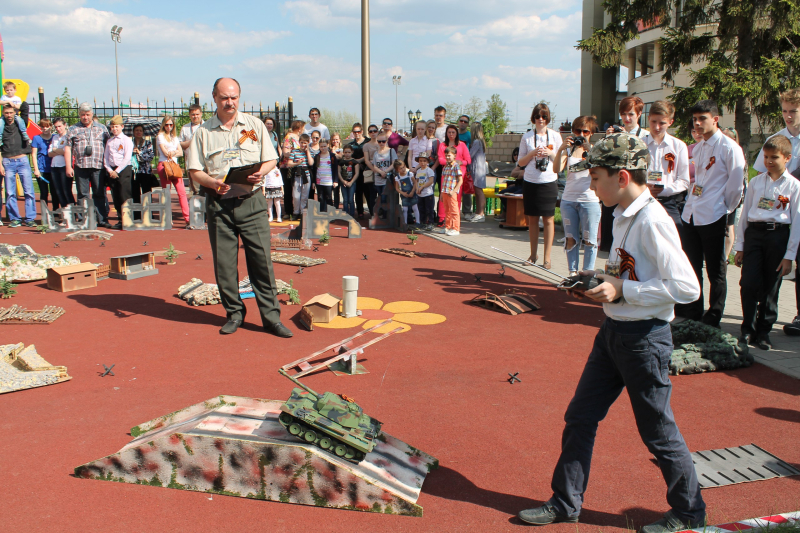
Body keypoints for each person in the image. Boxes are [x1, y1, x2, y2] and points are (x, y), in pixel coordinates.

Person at [517, 133, 706, 533]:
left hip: (645, 340)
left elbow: (687, 288)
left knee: (657, 431)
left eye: (595, 177)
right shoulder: (621, 212)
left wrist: (624, 290)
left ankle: (690, 513)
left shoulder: (653, 220)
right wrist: (598, 280)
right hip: (612, 333)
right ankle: (566, 502)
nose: (590, 186)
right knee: (580, 416)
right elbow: (628, 270)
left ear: (621, 177)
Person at [186, 77, 291, 338]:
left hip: (252, 201)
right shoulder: (203, 132)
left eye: (234, 97)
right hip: (219, 204)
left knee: (261, 262)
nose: (229, 102)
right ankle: (234, 314)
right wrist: (212, 182)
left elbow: (271, 159)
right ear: (214, 98)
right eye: (224, 97)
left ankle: (271, 318)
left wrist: (261, 172)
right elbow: (195, 170)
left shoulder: (254, 125)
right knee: (224, 265)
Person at [676, 100, 746, 328]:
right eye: (695, 119)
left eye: (702, 118)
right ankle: (693, 310)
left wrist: (724, 208)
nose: (697, 123)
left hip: (713, 214)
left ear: (715, 119)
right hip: (692, 213)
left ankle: (714, 315)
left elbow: (736, 186)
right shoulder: (698, 148)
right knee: (692, 265)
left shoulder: (729, 147)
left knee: (716, 270)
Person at [734, 135, 800, 350]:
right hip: (755, 235)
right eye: (766, 157)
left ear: (787, 158)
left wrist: (789, 256)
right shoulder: (756, 182)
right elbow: (745, 215)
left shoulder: (794, 186)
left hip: (777, 236)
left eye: (774, 157)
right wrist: (740, 246)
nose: (769, 161)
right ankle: (747, 329)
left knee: (771, 286)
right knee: (748, 283)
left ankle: (763, 332)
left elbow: (797, 223)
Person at [752, 89, 800, 335]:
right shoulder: (776, 139)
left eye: (793, 111)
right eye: (784, 111)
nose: (788, 116)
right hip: (782, 212)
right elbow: (763, 175)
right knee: (782, 266)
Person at [600, 96, 649, 252]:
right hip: (616, 188)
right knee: (613, 237)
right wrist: (608, 139)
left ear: (639, 114)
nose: (627, 118)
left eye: (631, 114)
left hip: (634, 190)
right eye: (623, 114)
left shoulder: (645, 136)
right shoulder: (615, 135)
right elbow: (604, 161)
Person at [554, 116, 600, 275]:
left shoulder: (596, 150)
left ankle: (587, 274)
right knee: (570, 238)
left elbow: (600, 170)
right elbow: (557, 169)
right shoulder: (569, 150)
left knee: (589, 239)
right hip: (569, 200)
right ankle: (572, 273)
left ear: (591, 133)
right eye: (577, 131)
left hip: (590, 200)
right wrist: (560, 150)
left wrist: (590, 151)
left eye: (585, 131)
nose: (581, 135)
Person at [518, 103, 562, 268]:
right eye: (537, 116)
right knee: (533, 219)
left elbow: (561, 161)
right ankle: (532, 255)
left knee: (549, 219)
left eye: (544, 116)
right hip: (531, 182)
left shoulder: (555, 136)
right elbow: (521, 162)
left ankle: (547, 258)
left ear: (548, 118)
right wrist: (533, 153)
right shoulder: (527, 137)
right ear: (533, 118)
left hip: (549, 181)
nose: (540, 120)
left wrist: (550, 153)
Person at [642, 101, 690, 230]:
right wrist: (645, 187)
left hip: (669, 202)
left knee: (676, 234)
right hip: (643, 200)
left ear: (670, 122)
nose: (657, 127)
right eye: (653, 122)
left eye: (662, 123)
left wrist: (663, 190)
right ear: (648, 119)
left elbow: (684, 180)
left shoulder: (678, 146)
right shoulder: (640, 144)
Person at [64, 102, 110, 227]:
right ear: (79, 115)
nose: (85, 117)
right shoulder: (73, 129)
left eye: (88, 114)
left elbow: (108, 146)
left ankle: (102, 219)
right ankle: (83, 219)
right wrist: (68, 166)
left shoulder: (102, 128)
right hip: (81, 165)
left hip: (98, 166)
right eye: (83, 115)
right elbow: (68, 148)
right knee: (82, 194)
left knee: (99, 193)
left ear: (92, 114)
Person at [0, 104, 35, 227]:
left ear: (15, 112)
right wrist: (0, 165)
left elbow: (25, 107)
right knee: (10, 193)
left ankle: (30, 218)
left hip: (22, 160)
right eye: (6, 113)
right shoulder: (1, 126)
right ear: (3, 113)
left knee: (29, 191)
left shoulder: (20, 122)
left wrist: (13, 103)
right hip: (7, 161)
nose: (9, 115)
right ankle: (15, 219)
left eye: (11, 112)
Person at [155, 115, 190, 225]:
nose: (169, 127)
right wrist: (174, 152)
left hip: (174, 166)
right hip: (164, 165)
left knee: (182, 192)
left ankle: (187, 218)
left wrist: (173, 152)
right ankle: (167, 218)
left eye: (171, 124)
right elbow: (165, 153)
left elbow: (181, 152)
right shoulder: (160, 136)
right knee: (166, 192)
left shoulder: (174, 137)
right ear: (163, 125)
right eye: (166, 124)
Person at [103, 115, 133, 229]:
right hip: (112, 170)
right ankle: (120, 220)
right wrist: (110, 170)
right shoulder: (110, 141)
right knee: (115, 195)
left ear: (122, 126)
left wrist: (117, 171)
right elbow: (106, 158)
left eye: (116, 126)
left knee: (124, 195)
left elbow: (127, 157)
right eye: (112, 127)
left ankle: (128, 220)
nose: (114, 129)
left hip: (123, 169)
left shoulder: (126, 140)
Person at [436, 125, 472, 223]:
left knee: (456, 195)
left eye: (453, 132)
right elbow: (441, 159)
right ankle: (442, 218)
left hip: (458, 172)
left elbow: (468, 160)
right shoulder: (443, 145)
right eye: (449, 132)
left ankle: (454, 218)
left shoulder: (462, 145)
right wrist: (451, 162)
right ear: (446, 134)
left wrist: (461, 162)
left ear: (456, 134)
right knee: (444, 194)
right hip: (447, 172)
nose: (451, 134)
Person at [721, 127, 745, 259]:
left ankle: (726, 255)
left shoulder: (736, 151)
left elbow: (737, 180)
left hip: (732, 194)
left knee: (730, 225)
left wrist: (731, 201)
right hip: (720, 194)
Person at [435, 146, 463, 236]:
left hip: (451, 192)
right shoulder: (445, 167)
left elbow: (460, 180)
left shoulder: (456, 166)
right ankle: (448, 227)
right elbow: (444, 181)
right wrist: (441, 193)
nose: (447, 157)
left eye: (449, 155)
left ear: (454, 155)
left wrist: (454, 191)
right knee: (447, 211)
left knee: (454, 210)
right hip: (445, 191)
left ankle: (456, 228)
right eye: (446, 155)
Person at [31, 118, 58, 211]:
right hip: (42, 169)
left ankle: (56, 212)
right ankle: (44, 213)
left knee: (55, 192)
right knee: (44, 192)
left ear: (51, 127)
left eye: (47, 126)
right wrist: (36, 169)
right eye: (42, 127)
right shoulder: (36, 138)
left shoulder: (55, 137)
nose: (45, 128)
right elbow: (34, 154)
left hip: (53, 168)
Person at [281, 120, 304, 219]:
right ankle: (288, 211)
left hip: (298, 167)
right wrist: (296, 156)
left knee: (297, 189)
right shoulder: (289, 137)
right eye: (303, 128)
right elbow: (285, 152)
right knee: (288, 189)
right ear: (299, 128)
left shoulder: (299, 138)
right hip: (288, 167)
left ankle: (297, 210)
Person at [49, 117, 74, 207]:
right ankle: (64, 211)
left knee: (66, 190)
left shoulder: (68, 136)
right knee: (58, 191)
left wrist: (55, 150)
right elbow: (50, 153)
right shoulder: (55, 137)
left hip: (64, 166)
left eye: (59, 126)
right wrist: (59, 151)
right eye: (56, 127)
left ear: (64, 125)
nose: (58, 129)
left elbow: (67, 151)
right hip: (54, 166)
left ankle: (72, 211)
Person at [372, 132, 397, 219]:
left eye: (383, 141)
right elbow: (374, 166)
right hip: (378, 178)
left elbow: (394, 163)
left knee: (384, 197)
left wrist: (385, 172)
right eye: (379, 141)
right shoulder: (376, 153)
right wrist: (380, 172)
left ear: (386, 141)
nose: (381, 143)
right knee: (380, 197)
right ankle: (383, 214)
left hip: (387, 178)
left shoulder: (391, 151)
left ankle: (385, 215)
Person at [180, 104, 204, 194]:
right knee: (194, 190)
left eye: (197, 114)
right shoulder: (185, 128)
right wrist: (192, 141)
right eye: (193, 114)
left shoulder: (206, 126)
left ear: (201, 114)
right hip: (191, 162)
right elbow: (180, 145)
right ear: (189, 115)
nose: (195, 116)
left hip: (205, 162)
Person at [348, 123, 370, 219]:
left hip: (367, 170)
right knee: (358, 192)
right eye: (355, 132)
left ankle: (372, 211)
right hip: (356, 172)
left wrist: (359, 160)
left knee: (368, 192)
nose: (357, 133)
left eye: (358, 131)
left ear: (362, 131)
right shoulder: (351, 144)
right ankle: (360, 212)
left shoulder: (368, 142)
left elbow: (369, 155)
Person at [288, 133, 313, 217]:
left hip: (306, 175)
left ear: (308, 143)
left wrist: (307, 151)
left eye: (305, 143)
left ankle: (303, 212)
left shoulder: (310, 152)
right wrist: (297, 163)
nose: (303, 145)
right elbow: (289, 163)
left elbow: (311, 163)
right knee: (296, 195)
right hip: (297, 175)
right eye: (302, 142)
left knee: (304, 196)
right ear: (299, 142)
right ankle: (296, 212)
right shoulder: (294, 151)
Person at [468, 121, 487, 222]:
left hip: (477, 169)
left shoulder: (477, 142)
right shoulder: (481, 141)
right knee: (477, 191)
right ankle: (477, 212)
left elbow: (470, 155)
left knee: (479, 191)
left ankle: (481, 213)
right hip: (478, 168)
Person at [131, 124, 155, 205]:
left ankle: (148, 210)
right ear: (133, 132)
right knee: (135, 192)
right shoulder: (130, 143)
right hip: (134, 171)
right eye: (137, 130)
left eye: (140, 130)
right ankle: (137, 211)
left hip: (145, 171)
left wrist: (140, 153)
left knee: (147, 192)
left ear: (143, 132)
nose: (138, 132)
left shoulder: (148, 143)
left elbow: (150, 157)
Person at [312, 138, 337, 212]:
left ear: (328, 145)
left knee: (329, 197)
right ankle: (322, 213)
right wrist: (313, 182)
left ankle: (330, 213)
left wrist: (335, 181)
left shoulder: (332, 156)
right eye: (321, 146)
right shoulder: (317, 156)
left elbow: (335, 169)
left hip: (328, 181)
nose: (323, 148)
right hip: (319, 180)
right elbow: (314, 170)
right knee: (320, 198)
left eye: (324, 146)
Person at [393, 159, 419, 227]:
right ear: (397, 170)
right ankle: (405, 223)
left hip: (412, 192)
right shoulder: (397, 178)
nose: (403, 169)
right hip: (404, 195)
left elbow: (415, 183)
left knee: (415, 207)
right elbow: (397, 188)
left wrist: (412, 192)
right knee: (405, 209)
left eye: (403, 167)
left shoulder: (409, 174)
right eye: (401, 168)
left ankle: (418, 222)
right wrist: (403, 193)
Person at [415, 151, 436, 230]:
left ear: (427, 162)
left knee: (429, 209)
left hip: (428, 193)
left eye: (424, 161)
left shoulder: (429, 170)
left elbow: (431, 181)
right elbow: (416, 181)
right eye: (420, 161)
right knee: (421, 208)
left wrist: (422, 187)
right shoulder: (418, 171)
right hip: (420, 194)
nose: (422, 163)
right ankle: (422, 222)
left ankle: (430, 223)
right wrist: (417, 188)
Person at [338, 144, 360, 217]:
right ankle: (345, 214)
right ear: (343, 152)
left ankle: (352, 214)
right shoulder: (341, 162)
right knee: (345, 199)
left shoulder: (355, 162)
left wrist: (351, 182)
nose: (347, 154)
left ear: (352, 152)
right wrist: (343, 181)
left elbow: (357, 173)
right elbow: (339, 172)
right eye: (345, 152)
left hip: (352, 183)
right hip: (343, 183)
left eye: (349, 152)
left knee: (351, 199)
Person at [329, 132, 344, 209]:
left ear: (339, 140)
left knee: (337, 191)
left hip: (340, 172)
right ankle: (330, 206)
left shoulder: (342, 149)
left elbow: (340, 157)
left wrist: (334, 153)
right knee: (330, 190)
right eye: (333, 139)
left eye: (336, 139)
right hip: (331, 172)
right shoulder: (329, 150)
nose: (335, 141)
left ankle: (336, 206)